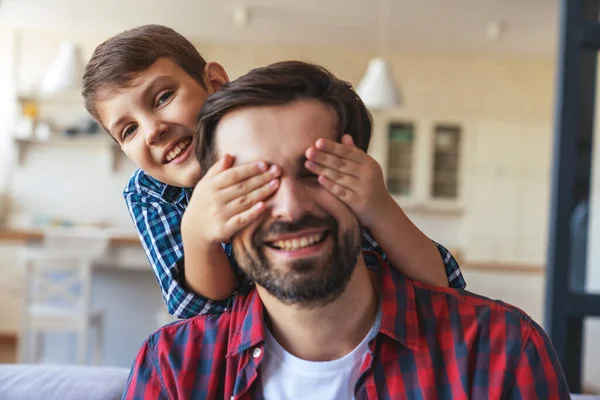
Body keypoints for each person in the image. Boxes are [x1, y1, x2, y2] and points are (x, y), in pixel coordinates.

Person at [123, 61, 570, 400]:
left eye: (317, 172)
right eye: (253, 183)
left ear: (363, 183)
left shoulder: (500, 353)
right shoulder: (174, 371)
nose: (290, 206)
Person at [81, 25, 465, 320]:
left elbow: (444, 284)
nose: (153, 131)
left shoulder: (281, 139)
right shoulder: (149, 193)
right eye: (128, 130)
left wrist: (379, 207)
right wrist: (198, 237)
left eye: (163, 97)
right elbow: (198, 315)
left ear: (214, 83)